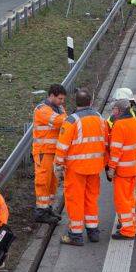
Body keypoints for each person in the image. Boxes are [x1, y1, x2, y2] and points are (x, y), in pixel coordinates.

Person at [54, 88, 106, 246]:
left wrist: (58, 165)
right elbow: (106, 140)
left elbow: (62, 146)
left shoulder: (71, 121)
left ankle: (75, 235)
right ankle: (93, 231)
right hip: (95, 167)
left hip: (76, 168)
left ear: (75, 103)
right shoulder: (99, 118)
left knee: (75, 200)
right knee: (91, 198)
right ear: (90, 102)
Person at [107, 87, 136, 225]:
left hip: (125, 166)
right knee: (135, 193)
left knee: (129, 194)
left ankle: (131, 218)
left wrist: (109, 167)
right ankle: (134, 217)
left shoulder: (112, 121)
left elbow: (110, 146)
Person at [106, 97, 136, 240]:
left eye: (114, 109)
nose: (112, 112)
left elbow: (116, 151)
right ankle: (131, 224)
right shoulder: (134, 122)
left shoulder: (119, 125)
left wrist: (111, 169)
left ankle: (127, 230)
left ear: (119, 110)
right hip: (134, 168)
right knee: (130, 199)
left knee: (122, 201)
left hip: (123, 171)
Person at [32, 84, 67, 223]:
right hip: (43, 151)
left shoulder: (58, 107)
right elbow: (61, 121)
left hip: (54, 152)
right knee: (43, 181)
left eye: (63, 99)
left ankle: (48, 208)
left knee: (53, 181)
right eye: (60, 98)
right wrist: (65, 116)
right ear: (51, 95)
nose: (62, 102)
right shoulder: (42, 109)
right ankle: (40, 211)